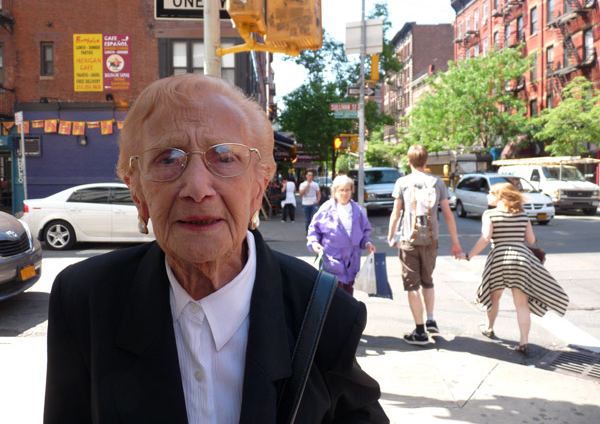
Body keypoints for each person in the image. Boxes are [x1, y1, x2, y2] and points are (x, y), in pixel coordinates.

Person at [44, 74, 388, 424]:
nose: (196, 187)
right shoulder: (85, 300)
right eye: (167, 158)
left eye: (224, 157)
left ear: (259, 187)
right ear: (137, 192)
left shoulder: (324, 310)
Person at [460, 182, 569, 355]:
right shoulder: (523, 215)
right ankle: (524, 342)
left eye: (491, 193)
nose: (487, 196)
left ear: (500, 196)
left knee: (494, 297)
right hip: (522, 259)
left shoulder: (490, 214)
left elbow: (485, 238)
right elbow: (531, 240)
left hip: (499, 259)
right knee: (521, 304)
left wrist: (469, 255)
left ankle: (489, 328)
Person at [387, 144, 462, 345]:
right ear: (426, 161)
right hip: (431, 240)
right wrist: (456, 243)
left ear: (409, 162)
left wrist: (391, 235)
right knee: (428, 281)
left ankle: (419, 331)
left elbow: (396, 213)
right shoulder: (438, 183)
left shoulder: (402, 182)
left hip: (409, 240)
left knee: (412, 285)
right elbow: (447, 214)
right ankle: (430, 319)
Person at [307, 175, 376, 296]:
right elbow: (314, 229)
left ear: (352, 191)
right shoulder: (326, 209)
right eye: (341, 190)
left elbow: (364, 232)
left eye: (347, 190)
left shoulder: (357, 210)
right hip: (332, 262)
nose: (345, 193)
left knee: (348, 298)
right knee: (333, 299)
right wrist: (314, 243)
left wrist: (367, 243)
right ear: (335, 191)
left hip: (351, 264)